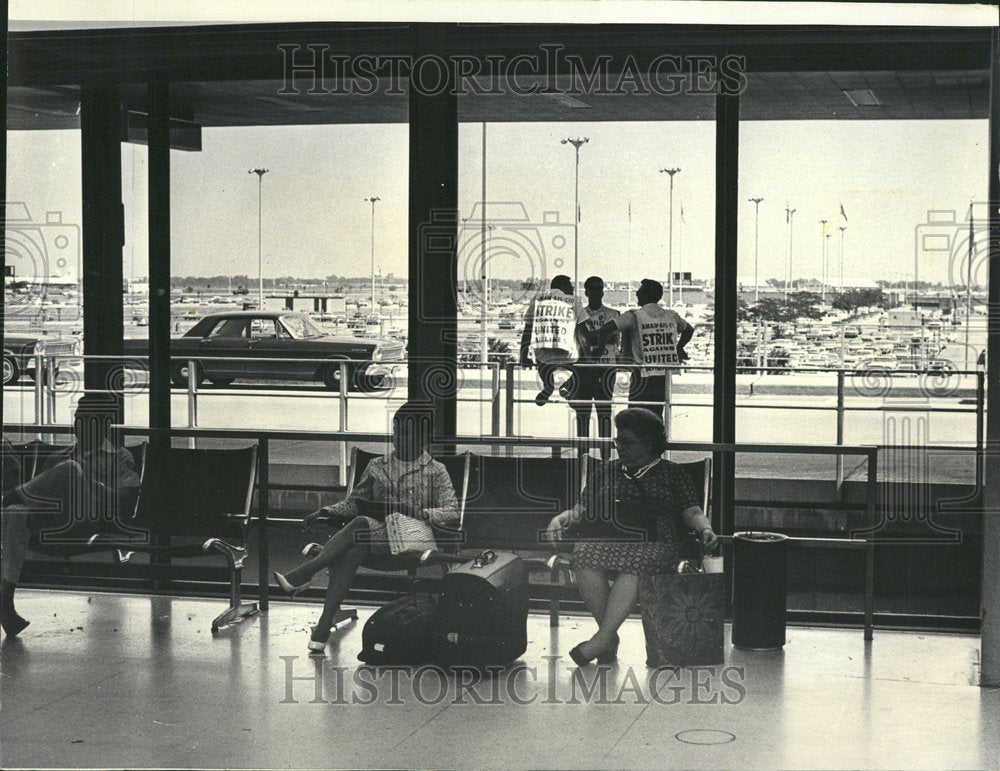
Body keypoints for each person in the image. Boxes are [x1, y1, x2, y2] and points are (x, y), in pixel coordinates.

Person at [273, 403, 459, 653]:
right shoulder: (376, 466)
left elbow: (452, 510)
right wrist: (326, 511)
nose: (397, 439)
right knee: (355, 544)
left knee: (360, 526)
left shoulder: (435, 471)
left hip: (412, 539)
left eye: (404, 434)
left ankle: (306, 575)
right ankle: (323, 624)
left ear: (421, 438)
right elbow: (354, 503)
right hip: (376, 538)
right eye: (395, 431)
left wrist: (419, 512)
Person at [546, 408, 717, 665]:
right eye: (618, 441)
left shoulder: (672, 474)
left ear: (649, 444)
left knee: (636, 565)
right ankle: (607, 637)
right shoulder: (605, 471)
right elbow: (581, 509)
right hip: (609, 536)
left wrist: (705, 528)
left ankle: (603, 639)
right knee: (584, 556)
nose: (619, 447)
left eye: (627, 442)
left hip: (655, 539)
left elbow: (692, 510)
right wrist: (561, 518)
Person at [1, 398, 141, 637]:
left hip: (90, 521)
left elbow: (124, 501)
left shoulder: (119, 456)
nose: (80, 425)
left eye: (87, 420)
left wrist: (86, 480)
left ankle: (6, 497)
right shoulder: (59, 456)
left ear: (104, 426)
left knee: (70, 470)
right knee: (16, 513)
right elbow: (42, 496)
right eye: (78, 419)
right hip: (57, 521)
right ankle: (5, 601)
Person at [594, 278, 693, 426]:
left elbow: (605, 328)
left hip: (642, 376)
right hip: (662, 376)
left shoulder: (634, 316)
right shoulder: (671, 315)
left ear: (647, 294)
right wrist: (679, 348)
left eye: (639, 292)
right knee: (656, 416)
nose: (637, 294)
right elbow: (689, 330)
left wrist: (599, 349)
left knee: (635, 417)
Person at [564, 276, 620, 456]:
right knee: (583, 414)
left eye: (598, 289)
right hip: (585, 368)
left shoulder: (613, 313)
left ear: (603, 291)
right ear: (586, 292)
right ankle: (583, 457)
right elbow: (577, 338)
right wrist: (601, 335)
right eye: (591, 289)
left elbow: (614, 337)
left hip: (606, 367)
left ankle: (605, 457)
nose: (595, 292)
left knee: (604, 414)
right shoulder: (580, 313)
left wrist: (588, 337)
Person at [519, 275, 581, 406]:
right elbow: (582, 329)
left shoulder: (538, 300)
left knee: (542, 363)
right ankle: (568, 386)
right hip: (567, 354)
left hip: (544, 355)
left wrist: (523, 355)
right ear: (563, 287)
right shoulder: (574, 301)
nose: (573, 289)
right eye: (571, 287)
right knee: (581, 365)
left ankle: (549, 385)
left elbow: (528, 328)